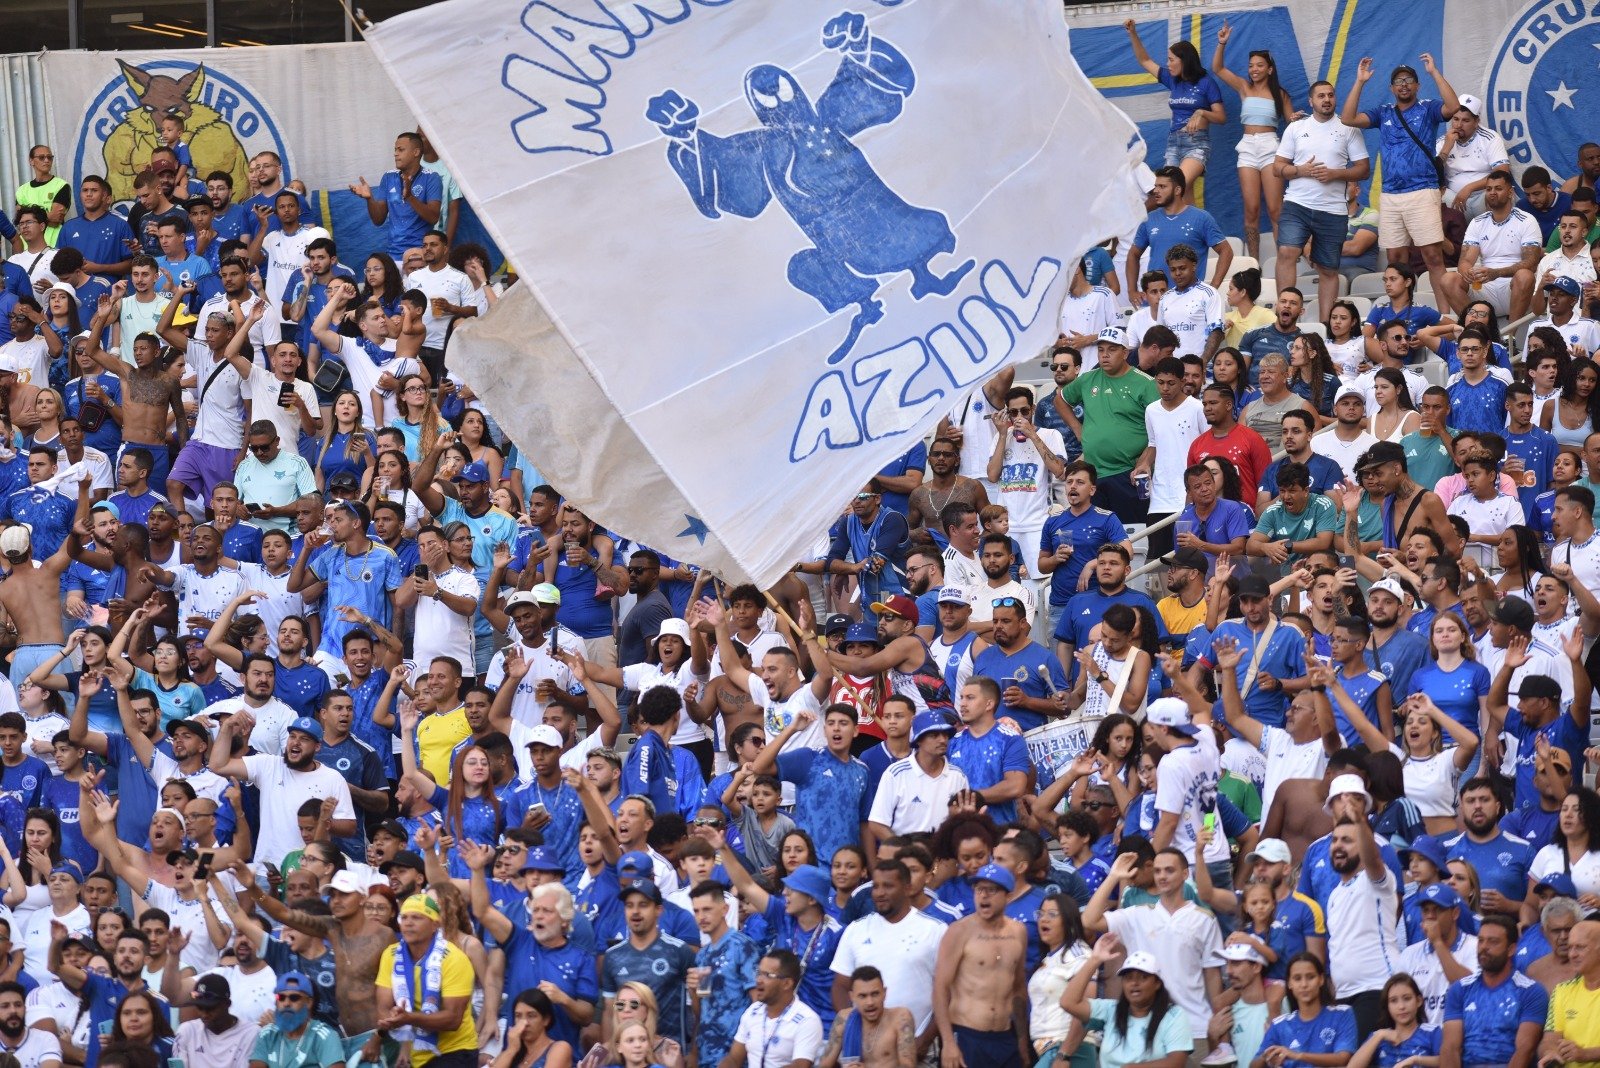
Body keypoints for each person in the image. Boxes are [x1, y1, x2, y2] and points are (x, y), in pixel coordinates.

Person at [1341, 56, 1461, 305]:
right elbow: (1348, 118)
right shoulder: (1383, 112)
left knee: (1433, 256)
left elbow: (1452, 107)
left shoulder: (1428, 108)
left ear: (1417, 86)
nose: (1403, 84)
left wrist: (1434, 72)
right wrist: (1360, 81)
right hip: (1391, 194)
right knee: (1396, 259)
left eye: (1409, 80)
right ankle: (1402, 315)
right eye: (1398, 81)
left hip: (1423, 190)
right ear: (1391, 88)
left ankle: (1444, 315)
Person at [1057, 326, 1159, 522]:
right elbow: (1060, 399)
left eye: (1112, 350)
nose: (1104, 355)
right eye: (1101, 349)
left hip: (1128, 474)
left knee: (1132, 532)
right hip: (1094, 475)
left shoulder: (1145, 384)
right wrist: (1079, 430)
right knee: (1099, 537)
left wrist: (1146, 459)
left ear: (1125, 353)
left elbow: (1161, 426)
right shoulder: (1088, 379)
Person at [932, 862, 1028, 1068]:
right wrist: (948, 1042)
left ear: (1008, 896)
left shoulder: (1018, 932)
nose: (983, 895)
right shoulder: (959, 931)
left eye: (991, 890)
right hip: (967, 1035)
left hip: (1005, 1035)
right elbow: (940, 987)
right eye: (978, 889)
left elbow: (1019, 987)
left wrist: (1021, 1038)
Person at [1060, 936, 1193, 1068]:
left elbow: (1177, 1063)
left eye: (1143, 977)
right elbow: (1068, 1002)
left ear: (1157, 983)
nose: (1134, 983)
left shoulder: (1174, 1015)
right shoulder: (1110, 1010)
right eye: (1128, 978)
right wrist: (1095, 960)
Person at [1440, 914, 1547, 1068]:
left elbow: (1525, 1050)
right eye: (1481, 940)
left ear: (1511, 949)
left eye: (1493, 942)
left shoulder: (1530, 992)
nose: (1484, 947)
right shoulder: (1460, 989)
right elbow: (1450, 1048)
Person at [1437, 170, 1542, 321]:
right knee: (1448, 279)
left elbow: (1531, 264)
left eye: (1498, 189)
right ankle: (1478, 331)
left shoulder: (1526, 220)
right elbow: (1465, 262)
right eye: (1488, 189)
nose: (1492, 193)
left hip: (1513, 288)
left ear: (1510, 192)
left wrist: (1497, 273)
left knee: (1525, 275)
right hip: (1484, 288)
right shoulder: (1477, 222)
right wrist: (1468, 273)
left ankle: (1511, 336)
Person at [721, 950, 822, 1068]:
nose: (758, 980)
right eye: (759, 973)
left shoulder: (807, 1020)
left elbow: (800, 1065)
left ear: (787, 984)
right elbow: (734, 1058)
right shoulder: (753, 1011)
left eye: (767, 975)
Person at [816, 967, 914, 1068]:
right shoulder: (844, 1019)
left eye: (875, 994)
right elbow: (824, 1065)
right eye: (863, 996)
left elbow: (908, 1066)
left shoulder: (900, 1018)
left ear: (884, 993)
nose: (870, 1002)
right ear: (852, 997)